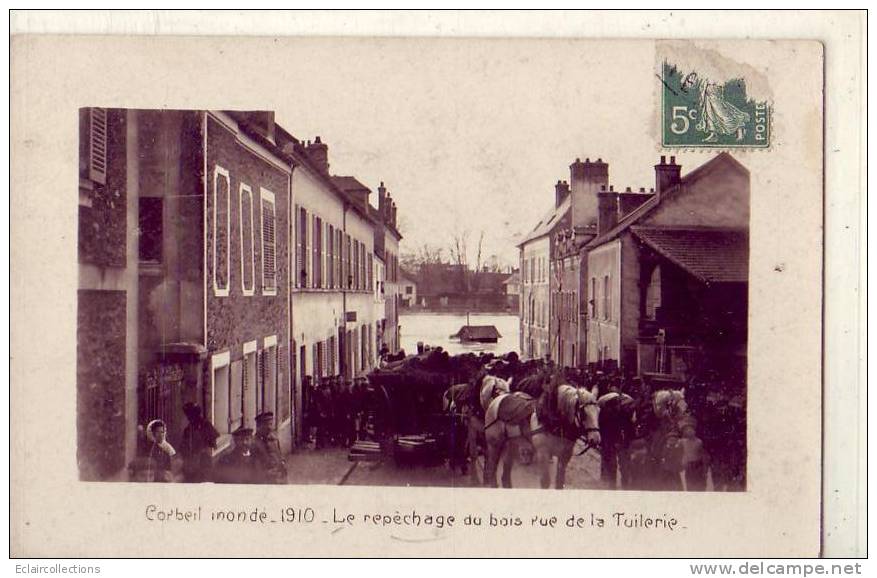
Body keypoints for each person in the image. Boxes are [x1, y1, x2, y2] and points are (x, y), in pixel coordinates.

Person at [180, 403, 219, 483]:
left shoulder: (206, 425)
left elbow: (213, 442)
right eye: (187, 415)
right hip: (191, 461)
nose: (188, 418)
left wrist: (203, 450)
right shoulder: (188, 429)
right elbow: (183, 446)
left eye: (190, 415)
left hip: (203, 459)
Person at [253, 411, 287, 484]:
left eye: (270, 424)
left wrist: (283, 463)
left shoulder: (274, 439)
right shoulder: (254, 443)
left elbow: (280, 455)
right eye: (265, 424)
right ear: (258, 426)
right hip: (263, 480)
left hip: (277, 478)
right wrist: (267, 473)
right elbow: (254, 466)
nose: (269, 427)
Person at [680, 420, 708, 491]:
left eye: (691, 429)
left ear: (694, 431)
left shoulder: (699, 442)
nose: (689, 431)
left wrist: (705, 470)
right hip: (688, 467)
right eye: (687, 430)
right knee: (689, 485)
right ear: (684, 432)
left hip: (698, 466)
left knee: (700, 486)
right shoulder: (682, 442)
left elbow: (703, 456)